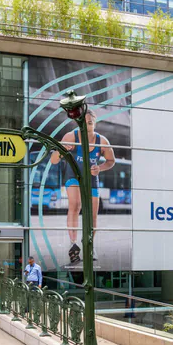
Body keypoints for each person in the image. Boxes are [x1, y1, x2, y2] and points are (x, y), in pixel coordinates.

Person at [50, 109, 115, 265]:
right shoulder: (71, 137)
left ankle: (89, 245)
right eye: (83, 123)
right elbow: (53, 160)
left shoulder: (102, 141)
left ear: (95, 123)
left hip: (91, 178)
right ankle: (73, 243)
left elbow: (111, 161)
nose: (87, 126)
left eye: (90, 123)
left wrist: (100, 168)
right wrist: (62, 151)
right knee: (75, 205)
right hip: (73, 176)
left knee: (92, 214)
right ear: (78, 123)